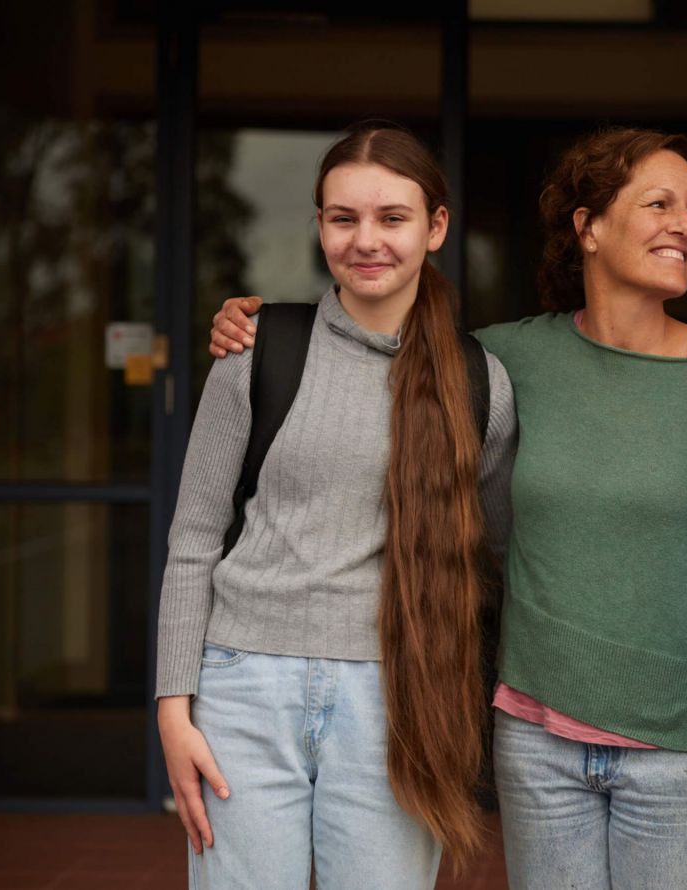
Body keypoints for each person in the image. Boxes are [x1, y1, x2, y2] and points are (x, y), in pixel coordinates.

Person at [207, 128, 687, 890]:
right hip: (538, 737)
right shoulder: (502, 362)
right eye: (659, 203)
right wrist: (256, 326)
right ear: (587, 226)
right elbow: (376, 344)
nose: (685, 226)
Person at [158, 124, 516, 889]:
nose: (367, 240)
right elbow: (193, 540)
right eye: (343, 218)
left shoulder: (481, 383)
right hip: (244, 688)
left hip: (401, 699)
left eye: (393, 217)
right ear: (319, 226)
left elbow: (492, 557)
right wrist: (172, 707)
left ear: (436, 227)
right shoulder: (256, 351)